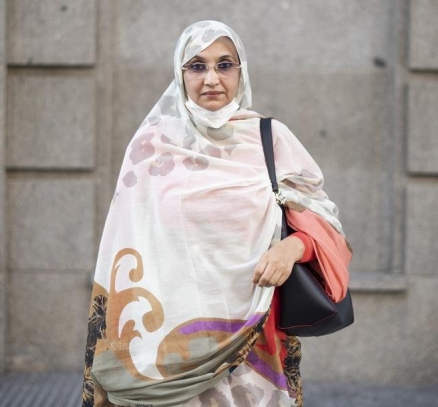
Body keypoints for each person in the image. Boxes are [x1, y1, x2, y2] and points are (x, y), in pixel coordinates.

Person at [82, 20, 352, 407]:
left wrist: (289, 250)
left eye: (224, 65)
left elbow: (325, 223)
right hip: (164, 349)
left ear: (241, 72)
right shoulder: (153, 148)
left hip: (253, 341)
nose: (211, 78)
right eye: (197, 66)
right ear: (180, 74)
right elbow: (122, 247)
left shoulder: (270, 139)